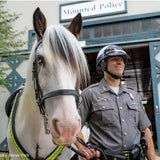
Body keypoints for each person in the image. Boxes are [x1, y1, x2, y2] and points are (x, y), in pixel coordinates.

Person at [74, 45, 155, 160]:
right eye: (115, 59)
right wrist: (82, 148)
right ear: (102, 65)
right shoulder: (90, 94)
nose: (120, 63)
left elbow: (145, 129)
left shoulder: (133, 96)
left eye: (122, 60)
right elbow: (74, 127)